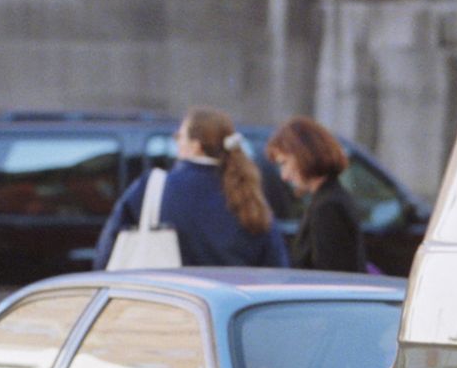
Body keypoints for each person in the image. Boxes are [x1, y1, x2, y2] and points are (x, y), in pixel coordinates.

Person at [92, 107, 287, 269]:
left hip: (170, 306)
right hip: (230, 310)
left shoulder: (153, 187)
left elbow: (106, 251)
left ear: (196, 146)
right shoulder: (249, 195)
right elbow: (276, 264)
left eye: (179, 136)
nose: (176, 142)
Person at [266, 115, 368, 274]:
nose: (283, 176)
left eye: (284, 163)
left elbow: (331, 279)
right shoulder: (327, 199)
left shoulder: (328, 207)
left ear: (304, 155)